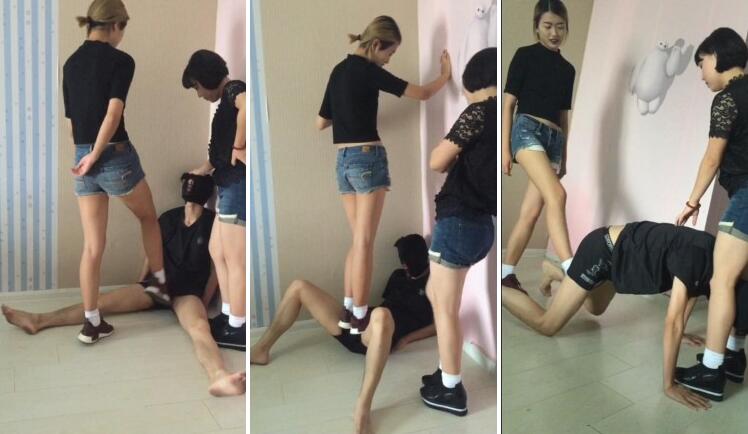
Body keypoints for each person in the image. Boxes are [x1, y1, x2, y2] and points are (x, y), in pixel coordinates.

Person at [1, 174, 246, 397]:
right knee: (99, 303)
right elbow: (151, 253)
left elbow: (216, 267)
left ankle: (219, 376)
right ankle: (39, 320)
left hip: (187, 292)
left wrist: (204, 300)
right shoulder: (169, 218)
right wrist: (141, 283)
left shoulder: (212, 223)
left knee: (199, 328)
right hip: (158, 285)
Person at [502, 221, 748, 408]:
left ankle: (557, 273)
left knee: (595, 308)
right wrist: (669, 385)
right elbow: (672, 321)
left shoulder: (720, 264)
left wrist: (682, 333)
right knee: (548, 325)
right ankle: (497, 288)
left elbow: (689, 295)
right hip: (604, 251)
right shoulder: (698, 256)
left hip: (619, 261)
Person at [316, 15, 451, 335]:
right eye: (390, 53)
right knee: (365, 241)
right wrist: (445, 76)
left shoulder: (338, 71)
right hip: (367, 158)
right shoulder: (368, 70)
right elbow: (422, 93)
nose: (389, 59)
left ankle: (349, 309)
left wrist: (348, 112)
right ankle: (361, 315)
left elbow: (321, 122)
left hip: (343, 161)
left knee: (357, 240)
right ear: (376, 44)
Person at [250, 234, 435, 434]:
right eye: (403, 261)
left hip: (377, 336)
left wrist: (407, 338)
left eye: (407, 261)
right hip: (356, 323)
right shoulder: (398, 275)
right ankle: (260, 349)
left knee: (382, 315)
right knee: (299, 286)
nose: (405, 266)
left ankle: (363, 408)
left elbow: (437, 325)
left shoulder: (431, 283)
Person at [63, 0, 169, 344]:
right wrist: (96, 155)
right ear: (115, 25)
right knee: (148, 217)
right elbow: (113, 114)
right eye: (124, 28)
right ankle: (160, 283)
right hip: (113, 156)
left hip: (83, 157)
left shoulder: (71, 63)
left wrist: (84, 157)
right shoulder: (121, 61)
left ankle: (91, 323)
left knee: (93, 246)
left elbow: (73, 122)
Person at [419, 47, 496, 417]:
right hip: (480, 227)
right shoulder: (506, 119)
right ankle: (445, 370)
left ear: (474, 82)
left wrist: (445, 149)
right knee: (436, 295)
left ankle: (451, 389)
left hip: (459, 221)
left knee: (445, 308)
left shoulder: (480, 111)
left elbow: (437, 160)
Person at [673, 27, 748, 400]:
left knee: (722, 282)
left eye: (702, 63)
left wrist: (691, 202)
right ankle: (733, 355)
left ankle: (712, 371)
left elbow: (712, 157)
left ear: (717, 57)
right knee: (742, 280)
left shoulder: (728, 98)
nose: (702, 74)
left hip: (746, 197)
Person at [501, 0, 576, 294]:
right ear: (536, 27)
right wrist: (505, 149)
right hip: (527, 130)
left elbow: (563, 116)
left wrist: (564, 156)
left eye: (560, 26)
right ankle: (571, 268)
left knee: (531, 212)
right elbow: (508, 104)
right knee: (558, 194)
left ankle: (506, 273)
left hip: (554, 140)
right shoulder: (524, 55)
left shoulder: (567, 69)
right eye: (547, 26)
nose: (554, 33)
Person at [182, 50, 247, 351]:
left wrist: (239, 146)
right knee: (216, 250)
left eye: (196, 87)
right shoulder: (224, 102)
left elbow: (247, 108)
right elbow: (218, 152)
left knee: (235, 258)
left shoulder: (234, 89)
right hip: (227, 184)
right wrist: (202, 169)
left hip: (237, 185)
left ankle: (238, 326)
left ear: (206, 78)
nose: (198, 94)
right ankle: (229, 314)